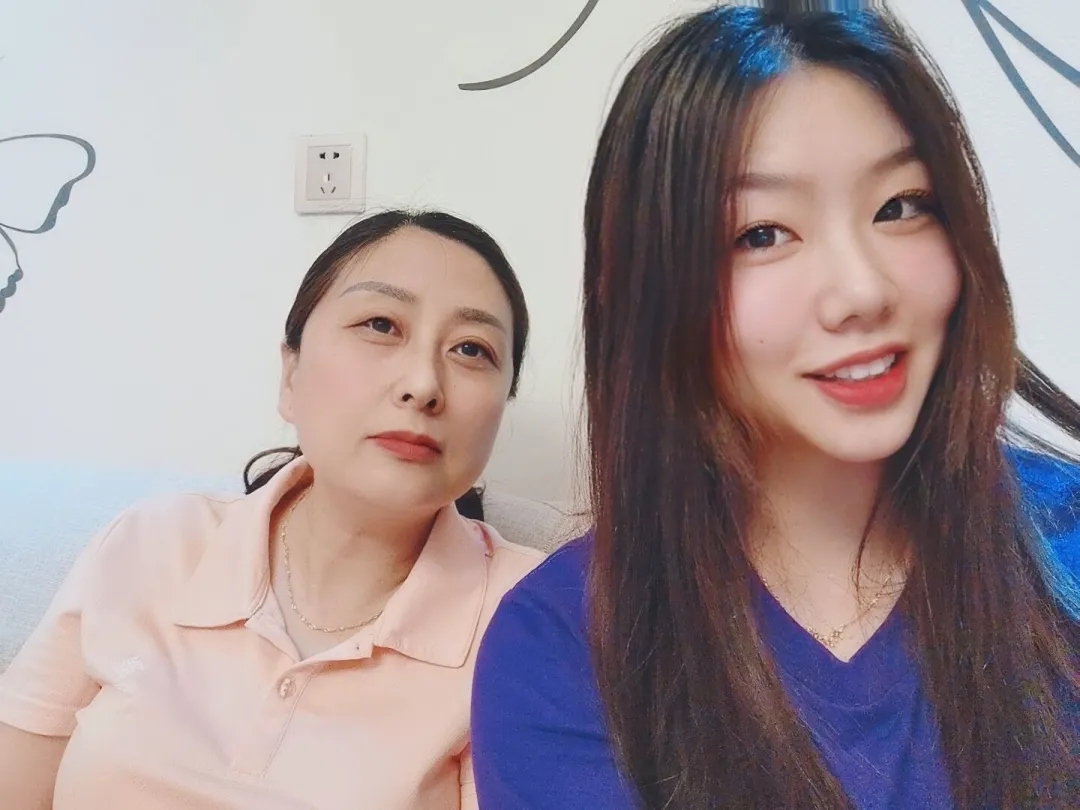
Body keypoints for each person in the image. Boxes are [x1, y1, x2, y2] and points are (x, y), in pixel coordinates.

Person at [470, 3, 1080, 809]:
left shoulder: (1063, 545)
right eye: (761, 234)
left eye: (901, 205)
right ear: (648, 289)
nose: (862, 291)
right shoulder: (565, 648)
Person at [0, 208, 543, 810]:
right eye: (381, 325)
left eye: (471, 349)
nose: (423, 384)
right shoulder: (151, 543)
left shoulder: (537, 618)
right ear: (290, 375)